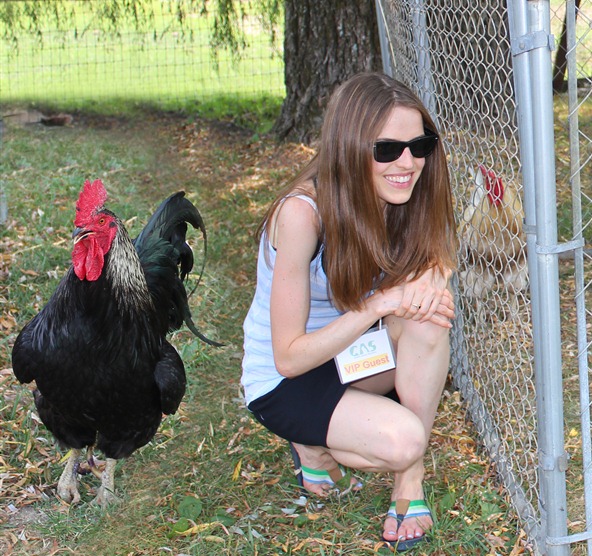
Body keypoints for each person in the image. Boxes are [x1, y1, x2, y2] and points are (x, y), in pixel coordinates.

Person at [241, 71, 456, 551]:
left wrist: (429, 280)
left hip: (350, 360)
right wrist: (379, 304)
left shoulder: (410, 190)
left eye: (420, 145)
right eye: (387, 150)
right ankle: (316, 443)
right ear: (350, 148)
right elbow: (289, 358)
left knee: (430, 313)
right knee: (402, 439)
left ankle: (408, 481)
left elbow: (438, 256)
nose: (408, 163)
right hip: (286, 380)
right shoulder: (301, 214)